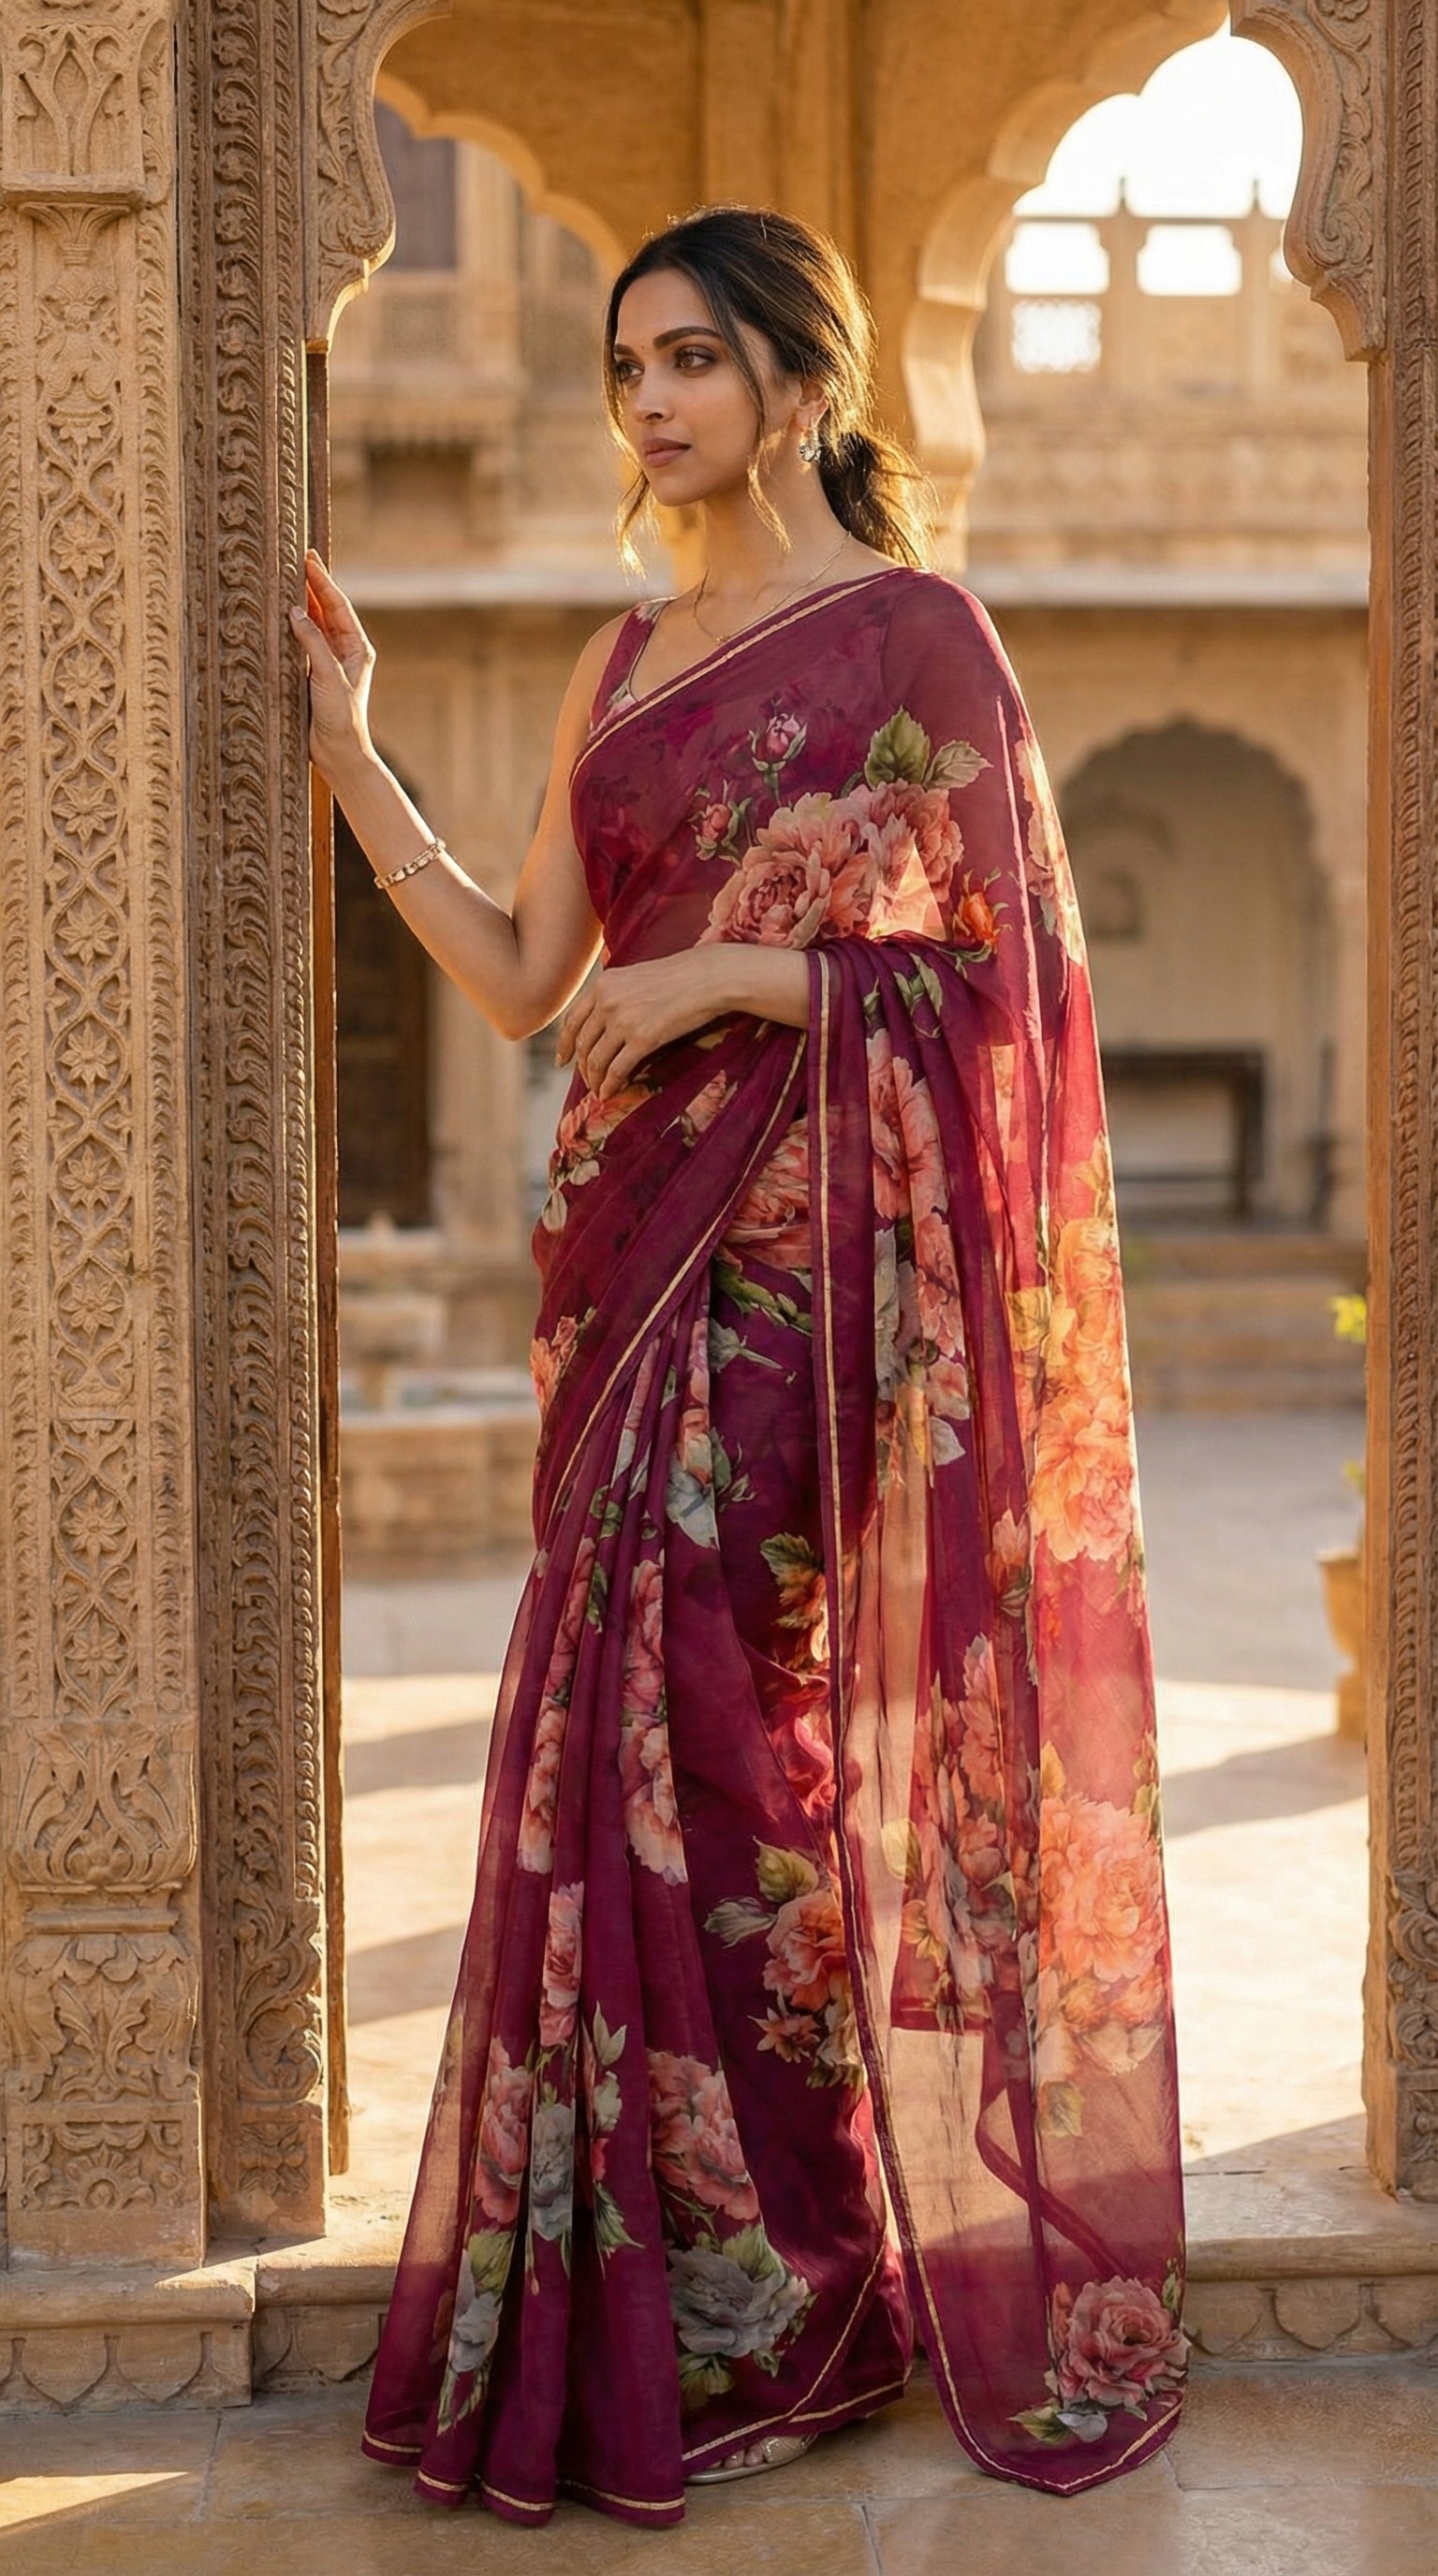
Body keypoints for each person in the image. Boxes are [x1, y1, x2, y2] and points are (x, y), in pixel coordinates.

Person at [289, 203, 1186, 2529]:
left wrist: (727, 985)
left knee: (724, 1722)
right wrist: (353, 752)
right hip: (613, 1272)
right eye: (627, 367)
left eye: (692, 356)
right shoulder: (618, 662)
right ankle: (660, 2289)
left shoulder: (922, 640)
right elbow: (510, 969)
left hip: (794, 1284)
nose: (653, 401)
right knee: (619, 1738)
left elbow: (1001, 999)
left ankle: (798, 2283)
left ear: (803, 377)